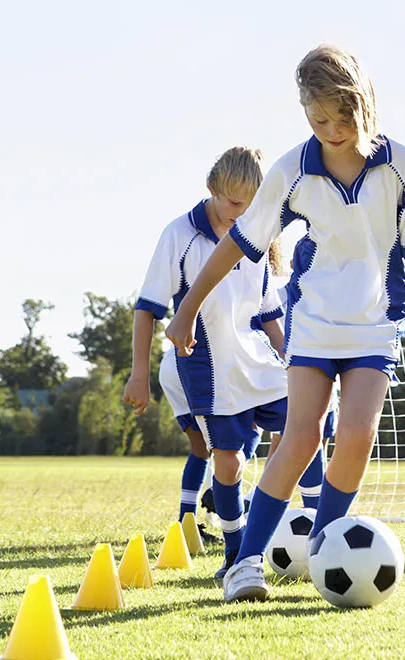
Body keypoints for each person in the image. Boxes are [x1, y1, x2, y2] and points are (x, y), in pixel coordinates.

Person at [166, 44, 405, 602]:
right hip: (316, 320)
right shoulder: (292, 170)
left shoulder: (401, 164)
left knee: (357, 435)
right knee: (301, 437)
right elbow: (239, 242)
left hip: (375, 323)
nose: (331, 129)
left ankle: (327, 547)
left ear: (364, 105)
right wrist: (187, 308)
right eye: (318, 118)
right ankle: (244, 565)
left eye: (342, 117)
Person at [122, 147, 289, 581]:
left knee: (301, 433)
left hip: (262, 365)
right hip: (211, 372)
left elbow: (270, 312)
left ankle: (311, 533)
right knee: (229, 464)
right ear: (213, 189)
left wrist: (290, 357)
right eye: (234, 203)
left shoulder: (256, 234)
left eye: (250, 205)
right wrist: (139, 375)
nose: (241, 212)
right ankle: (236, 553)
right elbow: (147, 308)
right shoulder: (179, 235)